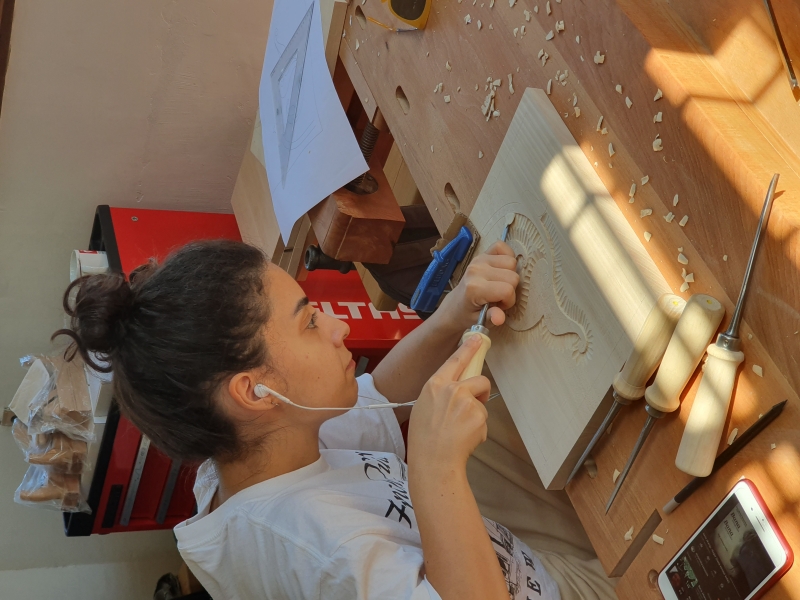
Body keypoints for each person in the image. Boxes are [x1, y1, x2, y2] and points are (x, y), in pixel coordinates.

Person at [54, 239, 616, 600]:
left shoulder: (258, 444)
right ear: (255, 391)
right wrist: (434, 468)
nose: (339, 327)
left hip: (502, 550)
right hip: (522, 587)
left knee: (516, 382)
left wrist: (452, 315)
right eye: (309, 323)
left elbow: (380, 396)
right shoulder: (319, 553)